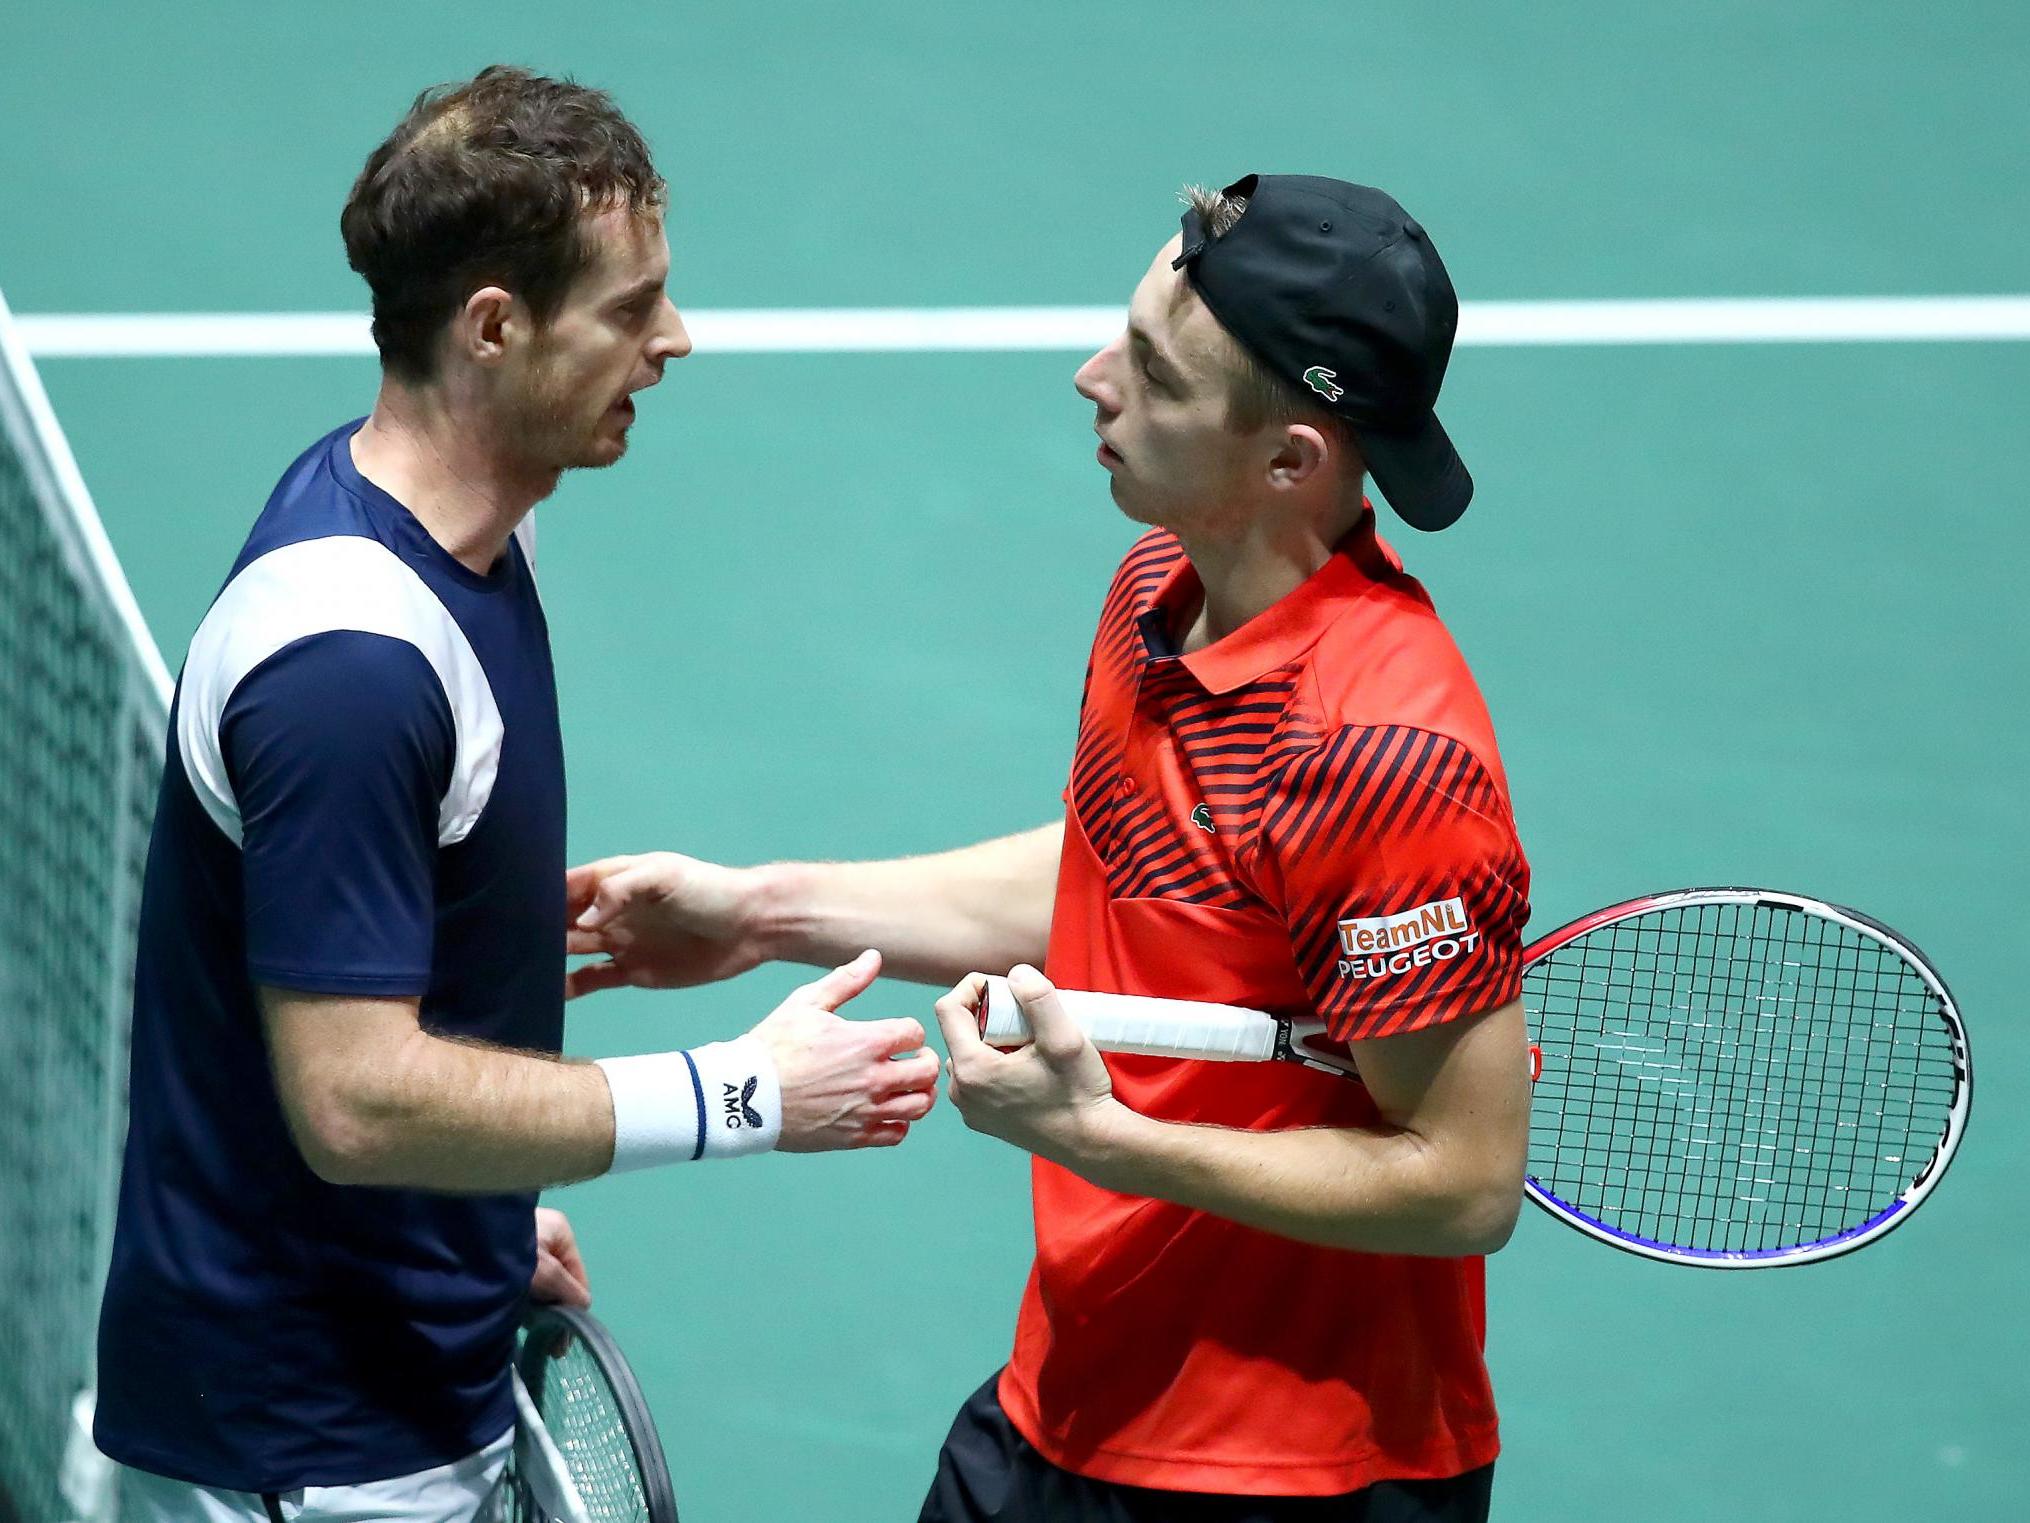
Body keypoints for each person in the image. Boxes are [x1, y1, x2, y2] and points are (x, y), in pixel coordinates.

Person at [568, 175, 1531, 1522]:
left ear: (1288, 460)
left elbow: (1462, 1180)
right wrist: (761, 914)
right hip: (1071, 1396)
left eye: (1151, 370)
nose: (1091, 380)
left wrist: (1107, 1140)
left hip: (1288, 1472)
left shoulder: (1380, 758)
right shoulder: (1161, 585)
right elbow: (1122, 873)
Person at [94, 66, 939, 1523]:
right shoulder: (354, 666)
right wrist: (734, 1092)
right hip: (335, 1440)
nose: (672, 341)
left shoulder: (466, 537)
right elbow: (355, 1103)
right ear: (494, 325)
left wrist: (469, 1220)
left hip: (396, 1341)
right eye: (630, 307)